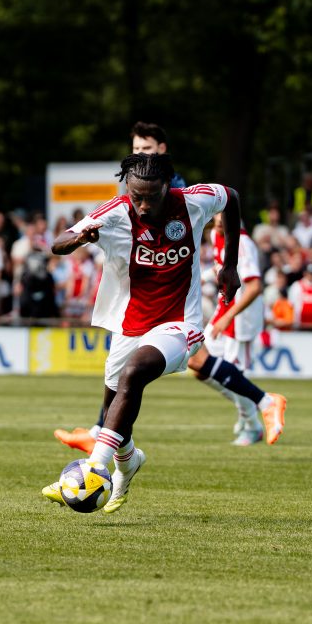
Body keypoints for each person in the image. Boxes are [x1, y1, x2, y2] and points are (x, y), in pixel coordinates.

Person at [52, 124, 285, 451]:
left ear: (161, 151)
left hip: (178, 302)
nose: (139, 155)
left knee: (186, 364)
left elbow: (224, 200)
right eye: (135, 150)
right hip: (142, 304)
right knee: (140, 370)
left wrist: (228, 265)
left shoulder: (178, 193)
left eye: (145, 149)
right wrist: (82, 237)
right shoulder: (125, 202)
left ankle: (261, 407)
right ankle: (258, 409)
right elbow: (61, 242)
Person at [42, 153, 242, 514]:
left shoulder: (193, 201)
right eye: (137, 196)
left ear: (169, 186)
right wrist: (75, 242)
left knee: (135, 372)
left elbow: (232, 197)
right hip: (129, 325)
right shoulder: (114, 213)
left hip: (181, 322)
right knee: (114, 407)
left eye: (152, 196)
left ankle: (94, 469)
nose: (144, 204)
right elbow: (59, 241)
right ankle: (128, 461)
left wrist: (229, 266)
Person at [187, 213, 287, 446]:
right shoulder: (215, 234)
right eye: (217, 217)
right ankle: (251, 412)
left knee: (230, 373)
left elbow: (254, 288)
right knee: (198, 365)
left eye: (225, 217)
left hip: (241, 318)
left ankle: (252, 425)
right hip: (224, 309)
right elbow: (220, 269)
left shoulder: (244, 244)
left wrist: (228, 317)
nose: (219, 222)